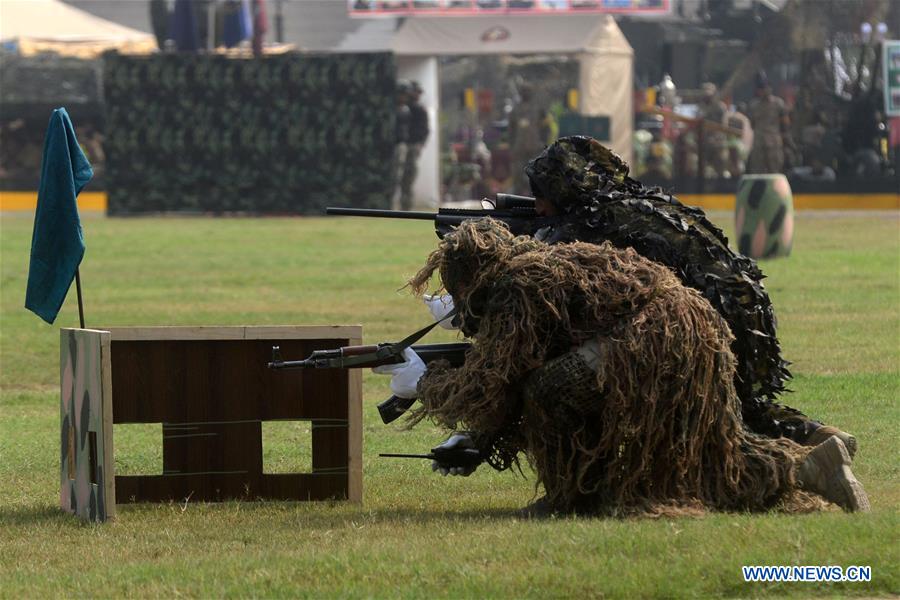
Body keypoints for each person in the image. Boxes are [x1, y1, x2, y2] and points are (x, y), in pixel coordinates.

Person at [376, 219, 868, 516]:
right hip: (693, 328)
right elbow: (507, 380)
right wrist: (476, 440)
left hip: (648, 338)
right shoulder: (541, 264)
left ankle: (573, 497)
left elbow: (492, 387)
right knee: (711, 456)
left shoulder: (514, 286)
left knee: (549, 390)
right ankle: (812, 466)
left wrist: (423, 381)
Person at [507, 84, 546, 195]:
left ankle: (534, 195)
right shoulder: (515, 110)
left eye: (528, 91)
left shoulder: (538, 109)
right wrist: (511, 146)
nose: (526, 94)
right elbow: (511, 130)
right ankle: (518, 195)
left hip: (535, 147)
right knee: (518, 174)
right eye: (524, 91)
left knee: (535, 173)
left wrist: (543, 141)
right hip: (519, 148)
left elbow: (545, 127)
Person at [747, 73, 788, 174]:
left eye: (766, 87)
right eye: (761, 88)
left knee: (775, 170)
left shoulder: (778, 104)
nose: (764, 91)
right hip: (759, 142)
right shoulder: (753, 105)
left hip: (774, 142)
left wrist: (783, 138)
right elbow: (752, 124)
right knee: (757, 170)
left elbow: (785, 123)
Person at [399, 81, 429, 211]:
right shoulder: (404, 108)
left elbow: (425, 130)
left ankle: (406, 206)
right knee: (400, 175)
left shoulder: (419, 109)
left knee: (409, 175)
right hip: (404, 144)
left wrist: (420, 144)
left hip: (413, 145)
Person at [393, 81, 412, 209]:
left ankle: (402, 204)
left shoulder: (406, 110)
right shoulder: (393, 110)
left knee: (402, 175)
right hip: (394, 145)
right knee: (395, 175)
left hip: (402, 144)